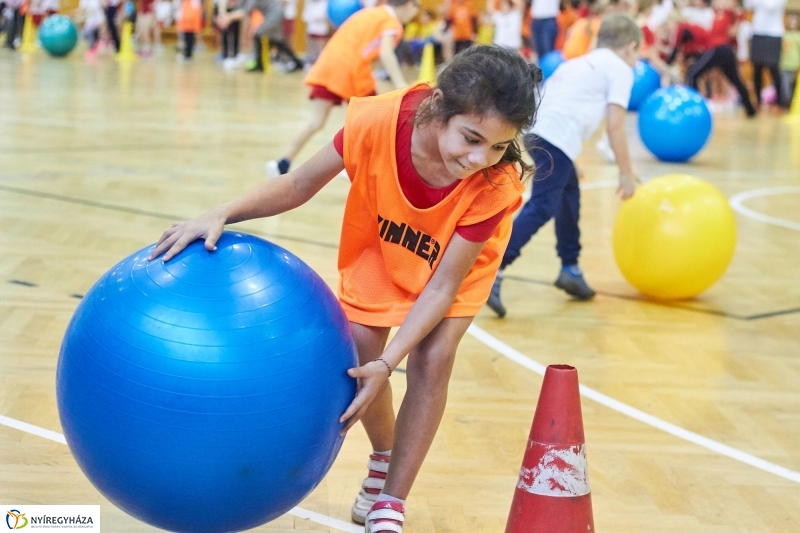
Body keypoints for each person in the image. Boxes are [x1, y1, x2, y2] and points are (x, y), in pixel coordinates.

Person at [148, 45, 540, 533]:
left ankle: (391, 500)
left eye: (499, 146)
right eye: (472, 138)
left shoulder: (494, 184)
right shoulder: (376, 121)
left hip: (455, 266)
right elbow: (298, 186)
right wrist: (221, 213)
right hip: (382, 242)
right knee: (360, 349)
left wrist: (389, 364)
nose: (480, 158)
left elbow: (441, 289)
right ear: (438, 105)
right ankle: (383, 457)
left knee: (433, 358)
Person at [487, 13, 640, 316]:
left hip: (537, 131)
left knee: (569, 199)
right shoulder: (621, 69)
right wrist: (626, 173)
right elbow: (616, 125)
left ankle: (570, 268)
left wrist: (566, 160)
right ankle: (494, 269)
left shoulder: (580, 61)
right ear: (630, 48)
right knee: (544, 205)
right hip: (556, 137)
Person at [265, 0, 419, 177]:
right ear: (408, 5)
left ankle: (282, 164)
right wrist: (400, 82)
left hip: (330, 64)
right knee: (372, 120)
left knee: (317, 121)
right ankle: (354, 165)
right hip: (349, 71)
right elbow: (386, 52)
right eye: (417, 6)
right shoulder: (391, 23)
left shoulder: (372, 13)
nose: (416, 12)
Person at [217, 0, 302, 72]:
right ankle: (296, 62)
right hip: (275, 13)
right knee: (276, 39)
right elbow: (242, 10)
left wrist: (228, 18)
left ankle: (260, 63)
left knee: (259, 33)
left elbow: (243, 13)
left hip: (275, 13)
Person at [744, 0, 786, 109]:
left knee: (773, 68)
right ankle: (757, 101)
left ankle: (780, 102)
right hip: (758, 32)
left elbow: (770, 6)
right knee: (757, 69)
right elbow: (748, 5)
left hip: (774, 33)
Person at [780, 11, 800, 108]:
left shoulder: (798, 36)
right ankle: (786, 104)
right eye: (790, 20)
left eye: (795, 21)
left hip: (795, 65)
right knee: (785, 85)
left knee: (794, 85)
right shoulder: (784, 35)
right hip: (785, 64)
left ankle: (793, 104)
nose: (792, 23)